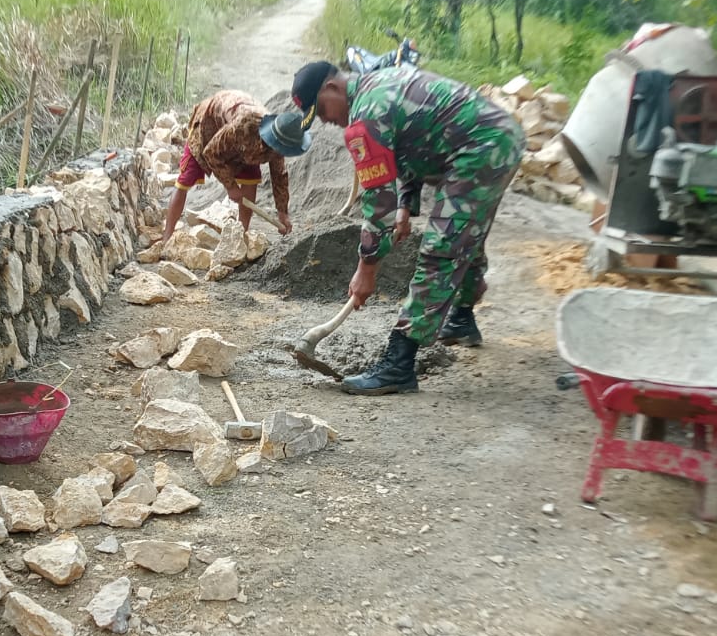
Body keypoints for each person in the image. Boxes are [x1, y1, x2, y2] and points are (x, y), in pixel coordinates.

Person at [290, 60, 521, 394]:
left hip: (481, 148)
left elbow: (376, 205)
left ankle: (399, 364)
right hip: (496, 137)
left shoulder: (365, 118)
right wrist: (406, 206)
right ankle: (462, 320)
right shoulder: (377, 85)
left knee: (443, 245)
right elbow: (415, 143)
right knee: (465, 232)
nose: (326, 120)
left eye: (322, 110)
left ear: (332, 88)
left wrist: (366, 269)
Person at [159, 89, 307, 243]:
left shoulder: (279, 141)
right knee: (186, 178)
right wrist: (230, 186)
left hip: (242, 142)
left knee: (251, 178)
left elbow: (279, 175)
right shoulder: (244, 126)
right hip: (210, 125)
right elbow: (210, 152)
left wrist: (282, 212)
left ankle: (240, 237)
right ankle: (167, 236)